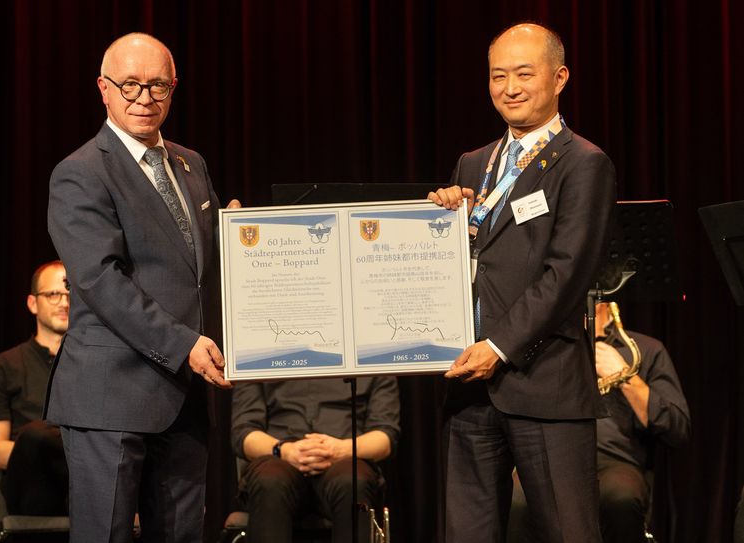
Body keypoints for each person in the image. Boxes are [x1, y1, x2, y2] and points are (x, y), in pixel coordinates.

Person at [46, 32, 238, 542]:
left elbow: (199, 267)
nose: (144, 99)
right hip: (110, 397)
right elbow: (101, 280)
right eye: (130, 85)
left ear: (174, 89)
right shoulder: (81, 172)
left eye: (157, 86)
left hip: (184, 398)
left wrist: (243, 243)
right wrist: (184, 346)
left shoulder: (190, 164)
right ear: (103, 89)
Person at [428, 23, 616, 542]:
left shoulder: (583, 163)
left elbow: (566, 273)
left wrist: (499, 345)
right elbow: (469, 262)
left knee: (568, 532)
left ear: (559, 78)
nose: (509, 88)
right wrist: (439, 224)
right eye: (497, 76)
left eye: (523, 74)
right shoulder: (474, 163)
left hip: (545, 384)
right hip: (469, 390)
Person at [507, 301, 691, 543]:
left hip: (615, 462)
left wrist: (624, 374)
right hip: (552, 455)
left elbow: (677, 428)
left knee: (620, 499)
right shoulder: (546, 348)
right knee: (517, 499)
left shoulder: (646, 349)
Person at [231, 378, 400, 543]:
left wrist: (340, 450)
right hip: (279, 455)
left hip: (345, 457)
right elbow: (243, 432)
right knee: (270, 480)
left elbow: (386, 435)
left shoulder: (369, 356)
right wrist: (285, 451)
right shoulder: (256, 354)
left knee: (353, 481)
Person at [0, 260, 69, 515]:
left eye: (71, 294)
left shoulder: (94, 366)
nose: (64, 303)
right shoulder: (3, 367)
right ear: (32, 303)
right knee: (38, 435)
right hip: (31, 491)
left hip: (83, 484)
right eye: (53, 294)